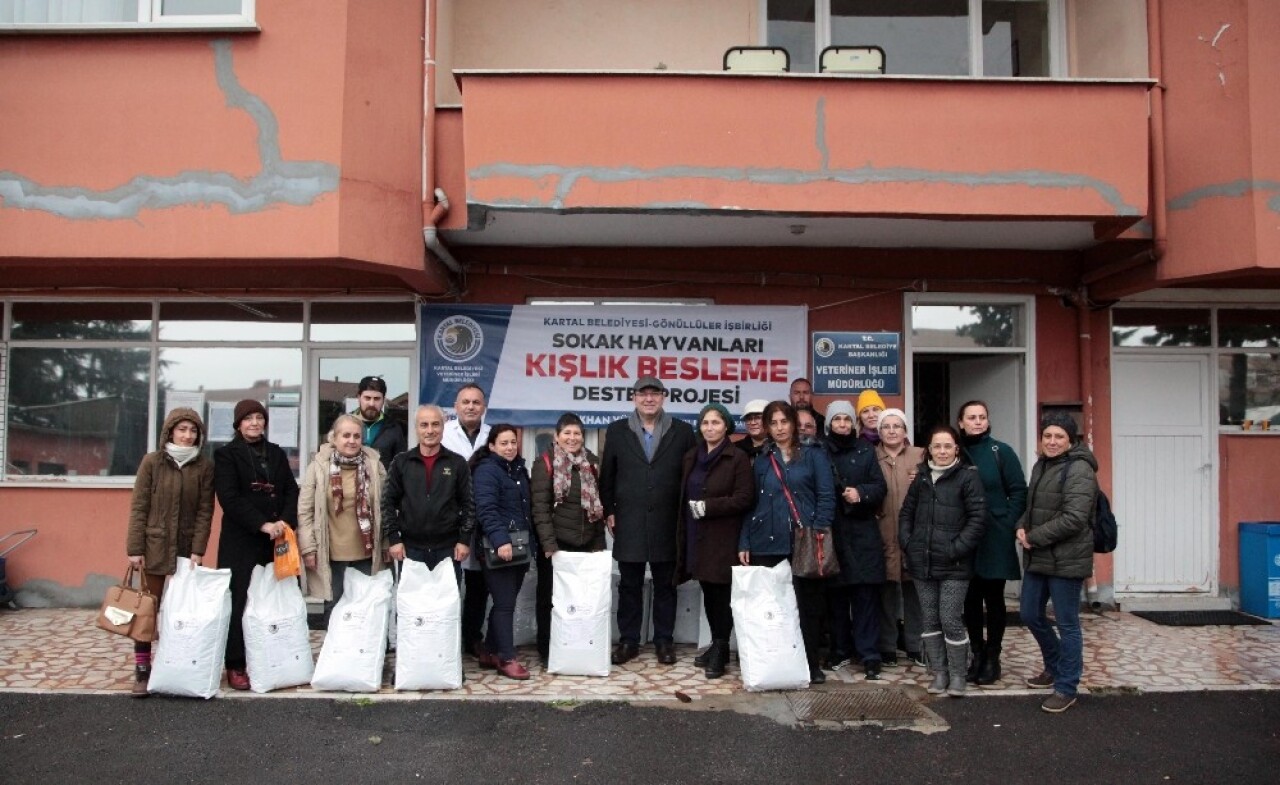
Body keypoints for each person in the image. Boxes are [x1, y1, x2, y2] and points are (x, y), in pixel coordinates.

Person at [738, 401, 836, 684]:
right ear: (767, 428)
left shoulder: (813, 454)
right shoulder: (762, 458)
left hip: (804, 540)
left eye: (784, 421)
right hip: (766, 541)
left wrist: (818, 530)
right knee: (773, 608)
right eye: (774, 423)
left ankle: (810, 663)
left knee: (808, 606)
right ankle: (777, 662)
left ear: (793, 423)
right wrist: (744, 540)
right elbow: (751, 503)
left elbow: (827, 496)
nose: (780, 428)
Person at [600, 376, 696, 666]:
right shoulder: (617, 431)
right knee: (629, 584)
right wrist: (609, 510)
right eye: (644, 394)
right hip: (629, 520)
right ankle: (629, 641)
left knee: (666, 584)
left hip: (669, 521)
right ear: (634, 398)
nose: (649, 399)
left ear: (664, 397)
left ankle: (664, 641)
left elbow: (691, 477)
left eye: (655, 394)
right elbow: (608, 476)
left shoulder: (682, 431)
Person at [125, 407, 215, 697]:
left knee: (180, 612)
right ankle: (142, 670)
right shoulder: (152, 462)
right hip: (153, 547)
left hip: (186, 550)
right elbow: (139, 507)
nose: (188, 436)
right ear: (170, 431)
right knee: (146, 611)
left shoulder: (203, 466)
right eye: (182, 429)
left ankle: (174, 664)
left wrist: (198, 550)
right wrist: (135, 548)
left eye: (193, 431)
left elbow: (205, 511)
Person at [214, 399, 299, 691]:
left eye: (259, 418)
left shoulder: (275, 453)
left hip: (276, 540)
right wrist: (262, 524)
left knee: (277, 598)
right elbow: (230, 498)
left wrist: (285, 523)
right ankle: (236, 664)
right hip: (242, 540)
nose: (254, 423)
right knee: (239, 601)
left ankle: (273, 655)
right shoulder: (226, 455)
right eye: (248, 418)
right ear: (238, 424)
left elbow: (291, 490)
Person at [1017, 412, 1097, 714]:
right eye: (1047, 436)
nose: (1051, 441)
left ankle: (1066, 686)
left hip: (1067, 558)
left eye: (1058, 437)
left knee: (1068, 624)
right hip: (1039, 555)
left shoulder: (1079, 469)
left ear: (1071, 440)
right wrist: (1022, 525)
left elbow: (1075, 518)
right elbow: (1032, 503)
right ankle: (1054, 665)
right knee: (1029, 613)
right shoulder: (1042, 464)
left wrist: (1035, 537)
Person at [898, 424, 985, 697]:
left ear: (956, 449)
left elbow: (978, 519)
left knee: (950, 618)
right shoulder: (922, 477)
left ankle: (959, 675)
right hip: (922, 562)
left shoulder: (967, 477)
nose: (943, 451)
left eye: (948, 446)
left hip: (954, 564)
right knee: (930, 619)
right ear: (929, 450)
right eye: (937, 446)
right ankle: (939, 673)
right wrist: (909, 544)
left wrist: (955, 548)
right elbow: (906, 514)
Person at [676, 403, 753, 679]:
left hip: (724, 537)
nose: (710, 428)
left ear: (727, 427)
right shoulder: (692, 456)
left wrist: (709, 507)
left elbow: (745, 498)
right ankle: (716, 643)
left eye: (716, 423)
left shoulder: (738, 457)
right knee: (708, 590)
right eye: (705, 423)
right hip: (698, 536)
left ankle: (721, 648)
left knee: (722, 594)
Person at [956, 400, 1028, 685]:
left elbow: (1018, 491)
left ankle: (993, 655)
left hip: (994, 534)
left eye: (981, 417)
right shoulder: (955, 452)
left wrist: (1007, 521)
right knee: (970, 597)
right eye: (971, 417)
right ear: (960, 422)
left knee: (994, 598)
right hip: (964, 534)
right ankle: (976, 652)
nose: (977, 422)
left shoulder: (1001, 452)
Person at [297, 414, 388, 627]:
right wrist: (308, 547)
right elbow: (305, 510)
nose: (351, 440)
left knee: (366, 605)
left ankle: (364, 654)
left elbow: (385, 507)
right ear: (334, 439)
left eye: (357, 436)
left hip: (367, 551)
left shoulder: (375, 466)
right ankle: (335, 654)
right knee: (334, 606)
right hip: (331, 552)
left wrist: (385, 542)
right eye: (345, 435)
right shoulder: (318, 467)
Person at [531, 413, 606, 667]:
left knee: (580, 602)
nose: (572, 438)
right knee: (549, 600)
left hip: (585, 545)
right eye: (567, 433)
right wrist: (549, 545)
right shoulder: (544, 463)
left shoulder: (591, 463)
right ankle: (546, 649)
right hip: (555, 547)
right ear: (557, 436)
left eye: (577, 434)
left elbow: (597, 508)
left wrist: (598, 544)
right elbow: (540, 508)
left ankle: (577, 646)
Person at [822, 400, 888, 680]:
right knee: (836, 598)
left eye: (846, 419)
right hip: (833, 531)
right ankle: (840, 648)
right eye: (836, 419)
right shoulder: (819, 450)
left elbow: (879, 486)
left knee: (865, 597)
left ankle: (869, 653)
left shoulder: (865, 449)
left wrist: (860, 493)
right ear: (829, 424)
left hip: (862, 533)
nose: (842, 424)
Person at [382, 405, 475, 584]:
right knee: (411, 608)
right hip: (410, 549)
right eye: (424, 425)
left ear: (443, 427)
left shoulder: (457, 463)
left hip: (448, 549)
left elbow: (469, 504)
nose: (430, 430)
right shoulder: (402, 462)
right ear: (416, 428)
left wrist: (464, 540)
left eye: (435, 424)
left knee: (446, 609)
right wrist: (394, 539)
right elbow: (387, 503)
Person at [470, 424, 534, 680]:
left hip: (520, 547)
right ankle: (507, 658)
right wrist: (500, 540)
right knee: (505, 605)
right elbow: (486, 509)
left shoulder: (519, 469)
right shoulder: (487, 471)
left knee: (504, 603)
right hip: (500, 549)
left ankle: (490, 651)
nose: (510, 447)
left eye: (513, 443)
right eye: (504, 443)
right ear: (492, 446)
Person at [441, 384, 492, 659]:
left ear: (483, 407)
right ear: (456, 406)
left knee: (478, 586)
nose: (471, 407)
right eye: (465, 402)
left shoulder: (492, 435)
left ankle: (472, 638)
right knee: (449, 583)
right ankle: (447, 639)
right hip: (452, 520)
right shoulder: (444, 434)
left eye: (476, 402)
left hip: (484, 518)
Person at [874, 408, 926, 666]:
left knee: (914, 591)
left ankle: (915, 644)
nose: (892, 430)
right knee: (886, 592)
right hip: (882, 532)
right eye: (886, 426)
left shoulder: (921, 456)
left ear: (905, 431)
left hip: (914, 534)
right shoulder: (871, 457)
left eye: (897, 426)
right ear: (879, 431)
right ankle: (887, 645)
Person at [353, 375, 406, 471]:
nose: (371, 404)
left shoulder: (393, 428)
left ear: (383, 400)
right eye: (367, 398)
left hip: (382, 484)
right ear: (359, 397)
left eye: (377, 399)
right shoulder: (344, 423)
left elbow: (401, 465)